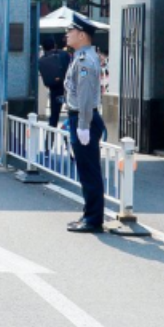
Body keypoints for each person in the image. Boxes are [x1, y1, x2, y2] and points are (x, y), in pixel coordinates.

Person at [63, 13, 108, 233]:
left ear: (82, 35)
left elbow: (85, 97)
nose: (67, 34)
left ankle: (93, 218)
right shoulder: (82, 57)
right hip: (82, 117)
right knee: (86, 169)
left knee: (89, 171)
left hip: (85, 118)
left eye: (70, 31)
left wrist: (82, 125)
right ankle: (89, 214)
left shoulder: (84, 61)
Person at [38, 39, 71, 128]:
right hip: (68, 88)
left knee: (54, 116)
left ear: (44, 48)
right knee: (73, 114)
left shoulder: (42, 60)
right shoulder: (64, 54)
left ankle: (50, 135)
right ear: (55, 45)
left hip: (55, 90)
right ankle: (71, 134)